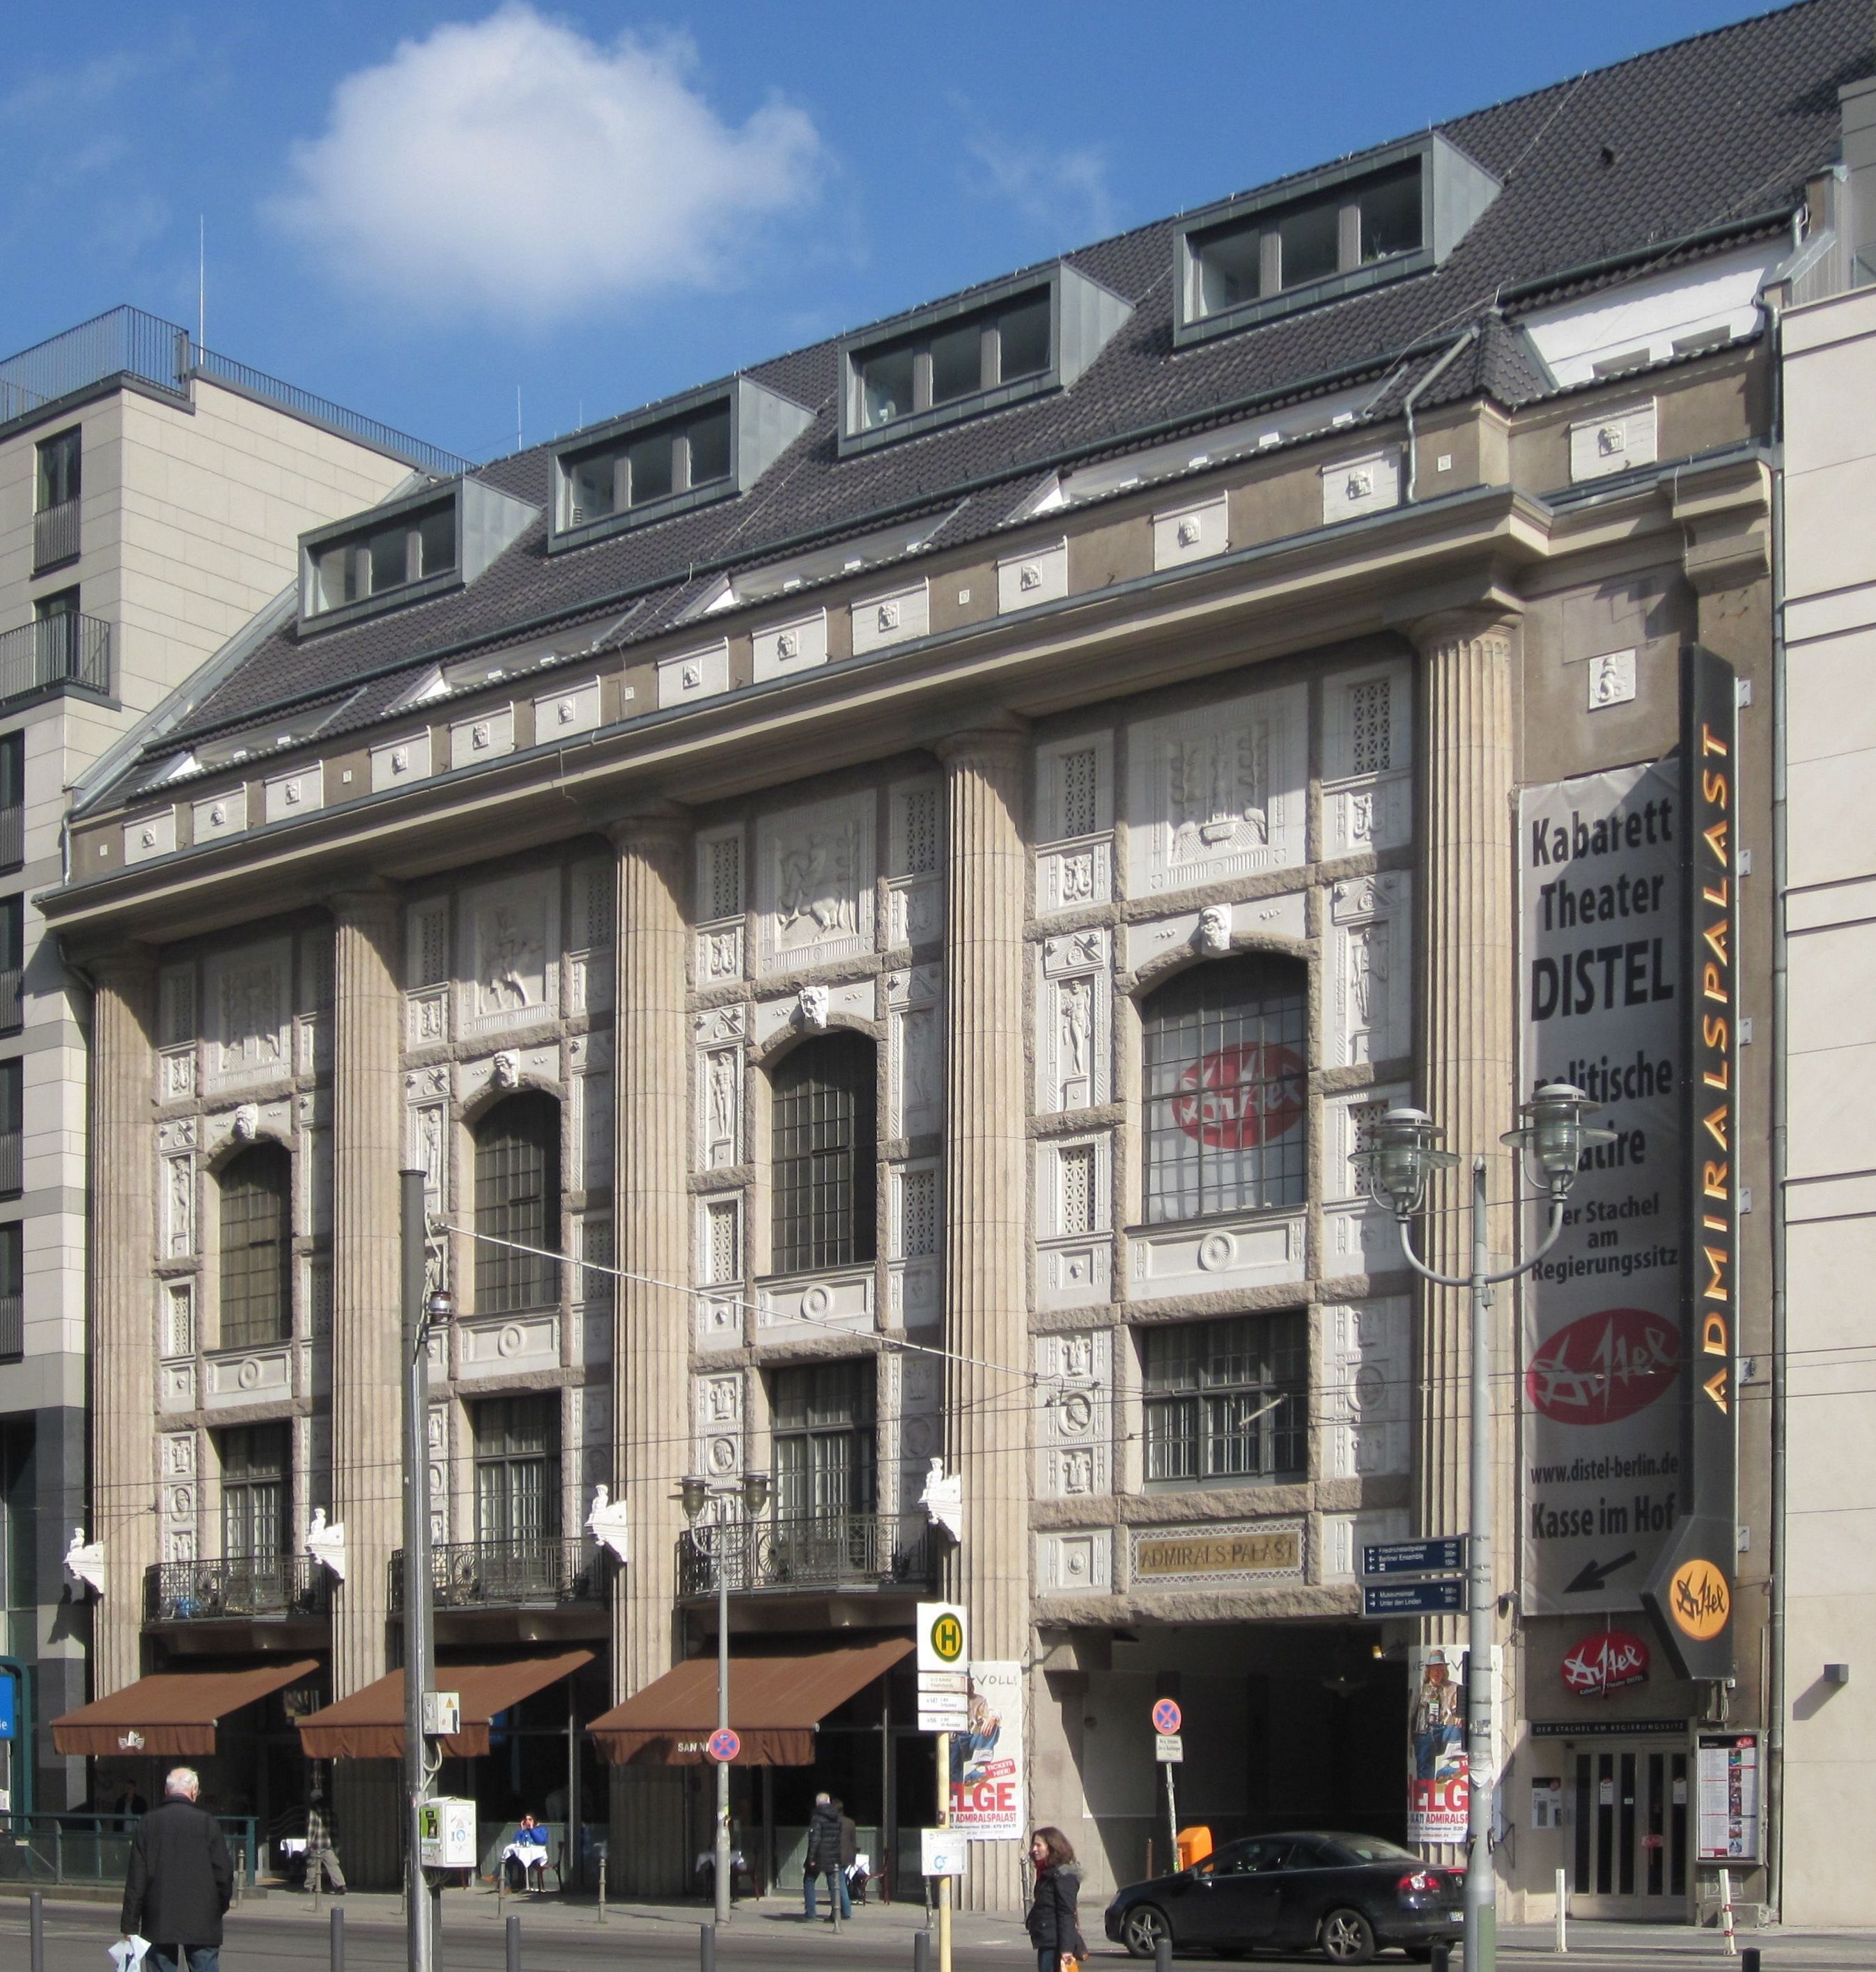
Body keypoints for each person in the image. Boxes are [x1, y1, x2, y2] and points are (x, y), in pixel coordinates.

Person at [120, 1767, 233, 1972]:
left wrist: (130, 1925)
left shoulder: (148, 1823)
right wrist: (219, 1907)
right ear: (194, 1790)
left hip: (159, 1916)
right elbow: (223, 1874)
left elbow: (137, 1878)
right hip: (203, 1917)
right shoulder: (207, 1822)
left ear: (166, 1791)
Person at [1026, 1826, 1086, 1972]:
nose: (1034, 1849)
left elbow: (1066, 1913)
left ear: (1052, 1847)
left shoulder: (1062, 1876)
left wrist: (1066, 1950)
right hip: (1047, 1939)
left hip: (1056, 1943)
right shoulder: (1046, 1873)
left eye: (1039, 1845)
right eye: (1033, 1845)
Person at [801, 1791, 850, 1921]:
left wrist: (811, 1858)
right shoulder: (837, 1817)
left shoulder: (817, 1817)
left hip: (819, 1856)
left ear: (817, 1804)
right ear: (829, 1802)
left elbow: (815, 1839)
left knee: (809, 1881)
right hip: (833, 1855)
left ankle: (811, 1914)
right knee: (834, 1885)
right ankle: (836, 1914)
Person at [304, 1784, 346, 1895]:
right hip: (328, 1845)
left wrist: (309, 1845)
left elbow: (312, 1829)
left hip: (316, 1844)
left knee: (312, 1866)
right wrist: (336, 1845)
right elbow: (334, 1831)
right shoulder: (331, 1813)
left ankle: (309, 1887)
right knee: (333, 1866)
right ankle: (341, 1885)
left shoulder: (314, 1812)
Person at [502, 1814, 551, 1893]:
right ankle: (508, 1886)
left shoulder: (541, 1830)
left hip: (535, 1857)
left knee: (521, 1861)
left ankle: (523, 1885)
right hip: (524, 1855)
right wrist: (522, 1830)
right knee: (508, 1860)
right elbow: (516, 1843)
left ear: (535, 1821)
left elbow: (541, 1841)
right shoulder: (524, 1831)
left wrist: (532, 1829)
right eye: (526, 1820)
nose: (527, 1821)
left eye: (530, 1819)